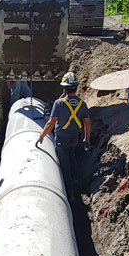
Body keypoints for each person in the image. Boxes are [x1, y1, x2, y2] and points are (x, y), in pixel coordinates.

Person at [37, 72, 91, 202]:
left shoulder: (59, 103)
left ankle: (70, 194)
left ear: (64, 88)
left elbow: (51, 123)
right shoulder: (82, 104)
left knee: (64, 165)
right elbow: (87, 124)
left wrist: (41, 136)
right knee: (71, 154)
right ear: (76, 87)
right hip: (75, 139)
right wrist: (86, 140)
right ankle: (77, 180)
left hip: (62, 139)